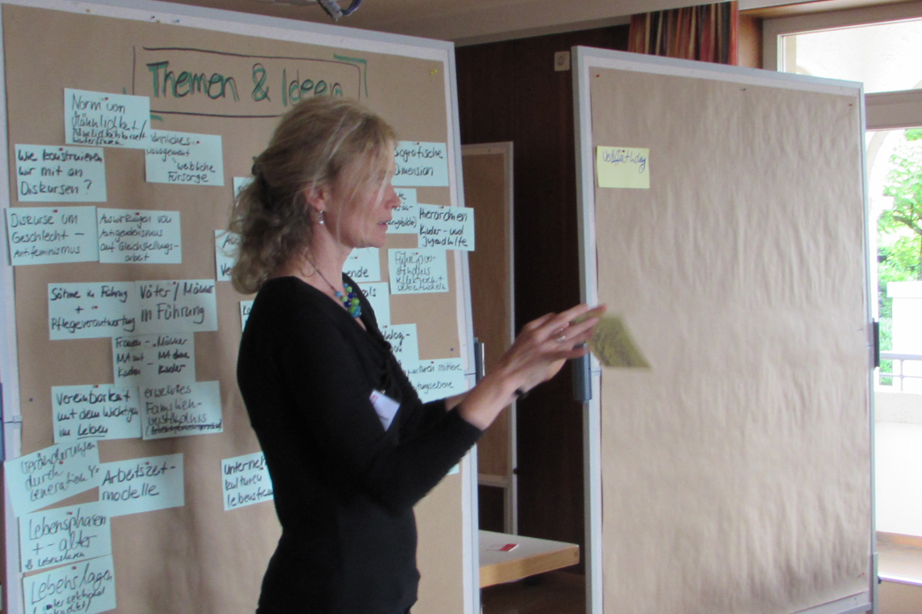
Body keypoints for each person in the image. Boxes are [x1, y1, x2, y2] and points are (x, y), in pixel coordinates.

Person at [231, 96, 602, 614]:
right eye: (377, 181)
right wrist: (501, 378)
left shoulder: (345, 297)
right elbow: (388, 481)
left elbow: (406, 426)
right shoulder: (293, 318)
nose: (394, 199)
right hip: (328, 598)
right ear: (318, 194)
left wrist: (516, 380)